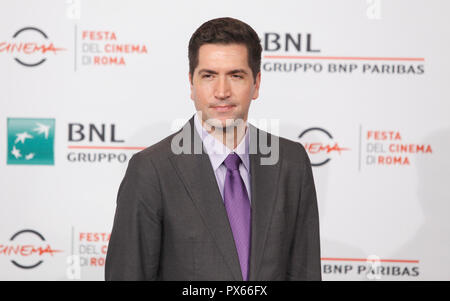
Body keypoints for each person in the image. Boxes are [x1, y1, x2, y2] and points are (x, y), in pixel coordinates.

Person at [105, 17, 321, 281]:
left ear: (256, 84)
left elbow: (305, 272)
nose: (222, 91)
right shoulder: (151, 169)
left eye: (236, 75)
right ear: (191, 84)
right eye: (208, 76)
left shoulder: (291, 163)